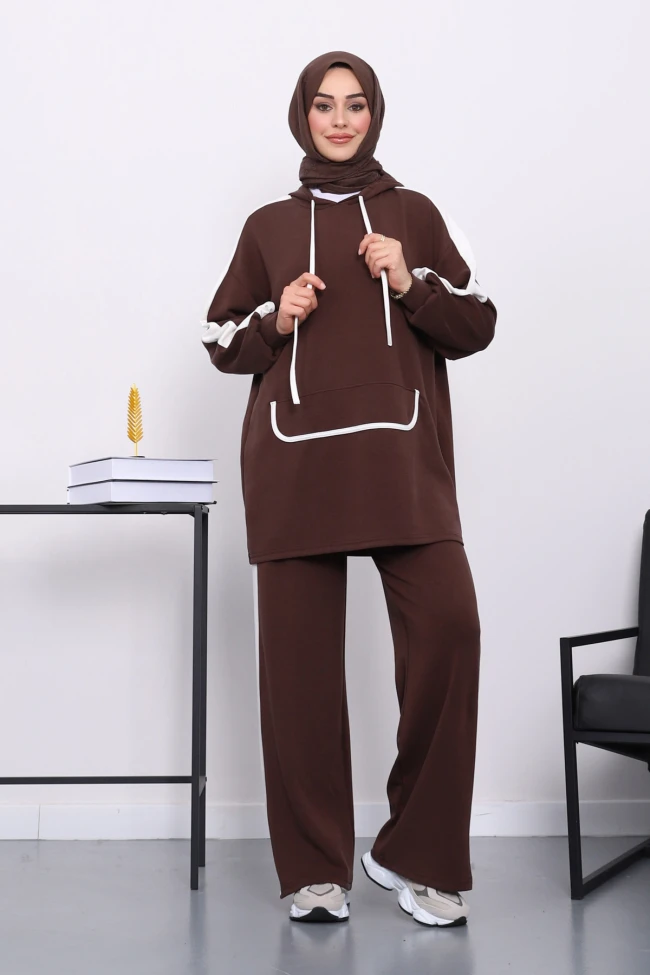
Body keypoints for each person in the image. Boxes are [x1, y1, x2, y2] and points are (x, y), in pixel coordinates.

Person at [200, 50, 497, 927]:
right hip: (295, 467)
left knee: (450, 627)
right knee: (299, 677)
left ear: (375, 114)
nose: (340, 119)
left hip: (403, 462)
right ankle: (314, 868)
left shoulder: (414, 213)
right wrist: (276, 317)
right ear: (304, 115)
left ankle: (417, 854)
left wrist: (408, 280)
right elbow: (218, 336)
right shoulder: (266, 226)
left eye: (355, 104)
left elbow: (477, 321)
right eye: (325, 105)